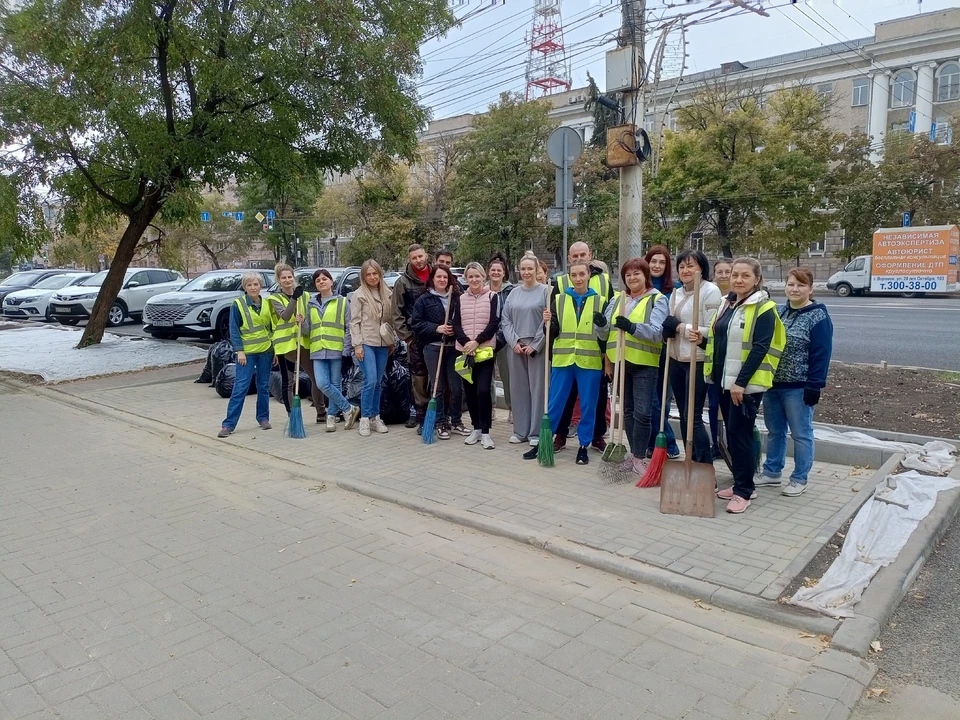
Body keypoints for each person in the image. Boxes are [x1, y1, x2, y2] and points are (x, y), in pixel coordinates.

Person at [691, 257, 786, 514]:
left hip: (745, 387)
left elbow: (760, 348)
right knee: (732, 436)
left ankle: (744, 491)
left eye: (745, 276)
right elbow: (720, 342)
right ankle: (743, 484)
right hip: (722, 381)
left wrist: (740, 383)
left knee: (740, 436)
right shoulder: (727, 304)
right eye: (735, 275)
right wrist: (701, 340)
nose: (739, 280)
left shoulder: (764, 308)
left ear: (756, 279)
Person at [757, 267, 833, 497]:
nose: (795, 289)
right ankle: (772, 472)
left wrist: (815, 385)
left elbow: (821, 353)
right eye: (791, 284)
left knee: (801, 433)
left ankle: (800, 477)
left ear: (810, 289)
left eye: (800, 285)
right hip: (773, 384)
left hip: (799, 387)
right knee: (775, 431)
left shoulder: (818, 316)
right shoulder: (779, 312)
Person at [602, 258, 668, 474]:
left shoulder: (656, 300)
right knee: (628, 411)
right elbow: (606, 333)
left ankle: (640, 457)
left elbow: (658, 333)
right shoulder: (618, 300)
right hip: (620, 362)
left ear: (645, 275)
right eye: (628, 274)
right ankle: (633, 455)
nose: (632, 278)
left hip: (644, 364)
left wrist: (631, 327)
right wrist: (600, 324)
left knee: (642, 413)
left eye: (636, 273)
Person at [661, 250, 722, 466]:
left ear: (702, 268)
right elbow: (670, 322)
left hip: (697, 359)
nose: (686, 270)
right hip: (677, 359)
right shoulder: (676, 293)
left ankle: (704, 465)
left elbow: (711, 330)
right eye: (682, 266)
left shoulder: (710, 291)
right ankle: (692, 458)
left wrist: (680, 327)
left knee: (693, 416)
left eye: (691, 266)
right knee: (685, 417)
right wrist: (667, 330)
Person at [552, 242, 613, 454]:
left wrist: (607, 359)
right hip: (566, 356)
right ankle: (560, 435)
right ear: (569, 259)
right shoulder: (559, 282)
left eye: (583, 255)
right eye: (574, 255)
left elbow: (609, 323)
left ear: (590, 256)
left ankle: (594, 437)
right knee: (565, 399)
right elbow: (555, 321)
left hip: (592, 357)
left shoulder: (604, 281)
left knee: (594, 401)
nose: (578, 277)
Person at [501, 251, 551, 458]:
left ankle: (536, 431)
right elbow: (505, 320)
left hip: (537, 347)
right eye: (523, 269)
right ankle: (520, 430)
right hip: (517, 346)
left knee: (538, 389)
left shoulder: (546, 291)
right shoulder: (513, 293)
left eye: (531, 268)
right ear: (518, 271)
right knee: (519, 388)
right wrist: (514, 342)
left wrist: (537, 343)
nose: (527, 272)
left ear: (537, 270)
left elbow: (548, 321)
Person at [301, 269, 361, 433]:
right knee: (321, 383)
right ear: (315, 284)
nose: (321, 282)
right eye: (318, 280)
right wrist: (301, 322)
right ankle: (348, 408)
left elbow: (348, 327)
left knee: (335, 384)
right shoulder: (311, 304)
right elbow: (308, 330)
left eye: (324, 279)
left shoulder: (341, 302)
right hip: (318, 349)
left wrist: (347, 348)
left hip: (336, 348)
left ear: (331, 281)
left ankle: (331, 417)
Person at [268, 264, 326, 423]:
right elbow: (285, 316)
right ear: (278, 280)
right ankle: (292, 415)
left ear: (293, 277)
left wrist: (304, 321)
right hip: (286, 347)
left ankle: (321, 412)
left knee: (316, 378)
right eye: (283, 278)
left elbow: (310, 315)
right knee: (289, 383)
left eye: (289, 277)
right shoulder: (275, 298)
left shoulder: (305, 296)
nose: (287, 280)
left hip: (304, 343)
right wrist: (294, 298)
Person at [411, 265, 463, 441]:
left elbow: (463, 322)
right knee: (438, 387)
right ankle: (440, 422)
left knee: (456, 387)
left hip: (453, 348)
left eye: (445, 277)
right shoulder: (424, 300)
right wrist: (437, 328)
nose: (442, 280)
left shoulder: (457, 299)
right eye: (439, 277)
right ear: (432, 279)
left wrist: (454, 330)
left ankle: (456, 420)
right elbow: (416, 324)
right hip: (433, 347)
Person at [452, 262, 500, 449]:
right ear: (466, 278)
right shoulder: (460, 299)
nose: (474, 279)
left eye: (477, 276)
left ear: (483, 277)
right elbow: (456, 323)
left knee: (482, 390)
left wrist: (477, 341)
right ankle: (476, 428)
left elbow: (494, 322)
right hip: (465, 352)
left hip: (485, 351)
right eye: (470, 276)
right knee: (470, 391)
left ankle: (486, 432)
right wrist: (466, 343)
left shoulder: (492, 297)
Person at [219, 273, 273, 438]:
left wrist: (274, 349)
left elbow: (271, 328)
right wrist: (239, 351)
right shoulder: (238, 304)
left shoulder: (267, 304)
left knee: (263, 386)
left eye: (256, 284)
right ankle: (228, 425)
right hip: (246, 354)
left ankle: (263, 418)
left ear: (260, 286)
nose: (253, 287)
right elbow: (234, 330)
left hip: (266, 351)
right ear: (244, 287)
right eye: (249, 285)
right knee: (240, 388)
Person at [644, 245, 681, 460]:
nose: (656, 266)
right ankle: (658, 443)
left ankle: (664, 444)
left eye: (662, 262)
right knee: (650, 401)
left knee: (661, 402)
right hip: (647, 351)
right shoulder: (641, 289)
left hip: (667, 352)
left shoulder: (674, 290)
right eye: (653, 261)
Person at [350, 259, 395, 437]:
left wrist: (391, 341)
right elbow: (354, 322)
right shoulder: (359, 295)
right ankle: (364, 418)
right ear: (363, 276)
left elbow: (390, 320)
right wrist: (357, 345)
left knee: (378, 382)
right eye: (368, 274)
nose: (372, 277)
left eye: (375, 273)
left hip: (383, 343)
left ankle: (375, 417)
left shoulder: (387, 293)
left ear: (380, 274)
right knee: (370, 381)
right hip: (366, 342)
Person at [392, 244, 431, 430]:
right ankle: (420, 414)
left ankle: (440, 414)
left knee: (438, 377)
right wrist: (407, 337)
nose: (418, 260)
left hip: (437, 336)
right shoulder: (403, 283)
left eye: (420, 256)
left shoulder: (436, 276)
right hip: (415, 338)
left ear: (426, 255)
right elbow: (396, 313)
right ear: (410, 260)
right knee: (418, 377)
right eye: (414, 258)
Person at [708, 258, 735, 459]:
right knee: (713, 405)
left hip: (733, 366)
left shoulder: (740, 298)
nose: (724, 275)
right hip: (714, 363)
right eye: (720, 272)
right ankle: (716, 443)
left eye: (728, 271)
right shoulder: (713, 296)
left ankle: (731, 446)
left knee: (731, 411)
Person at [487, 254, 514, 424]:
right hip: (486, 338)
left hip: (505, 338)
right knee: (486, 375)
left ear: (504, 273)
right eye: (493, 270)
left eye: (499, 270)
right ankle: (489, 407)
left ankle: (512, 408)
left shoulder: (511, 291)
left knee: (507, 375)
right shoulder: (483, 290)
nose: (496, 273)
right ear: (488, 272)